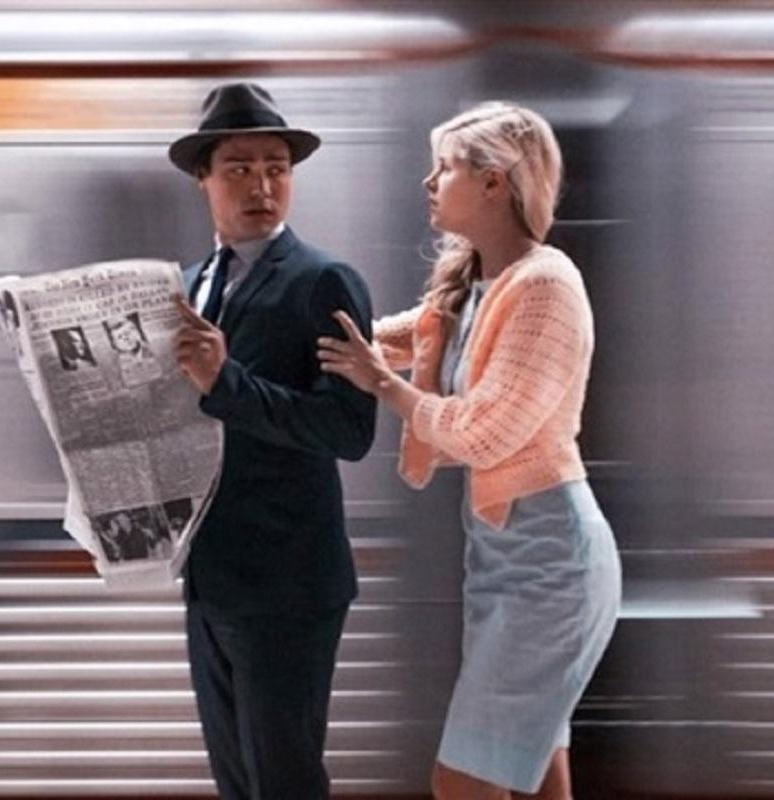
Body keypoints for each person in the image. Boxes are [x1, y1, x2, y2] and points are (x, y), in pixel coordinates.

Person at [318, 102, 622, 799]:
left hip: (554, 567)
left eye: (445, 167)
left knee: (462, 781)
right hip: (502, 562)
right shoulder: (472, 290)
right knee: (539, 776)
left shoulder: (547, 286)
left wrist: (383, 386)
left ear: (493, 182)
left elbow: (484, 432)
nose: (429, 182)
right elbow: (375, 341)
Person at [168, 82, 377, 799]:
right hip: (210, 580)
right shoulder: (191, 285)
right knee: (237, 783)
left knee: (284, 783)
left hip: (288, 583)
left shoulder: (323, 282)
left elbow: (349, 429)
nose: (262, 186)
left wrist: (226, 382)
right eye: (239, 169)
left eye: (276, 168)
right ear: (203, 178)